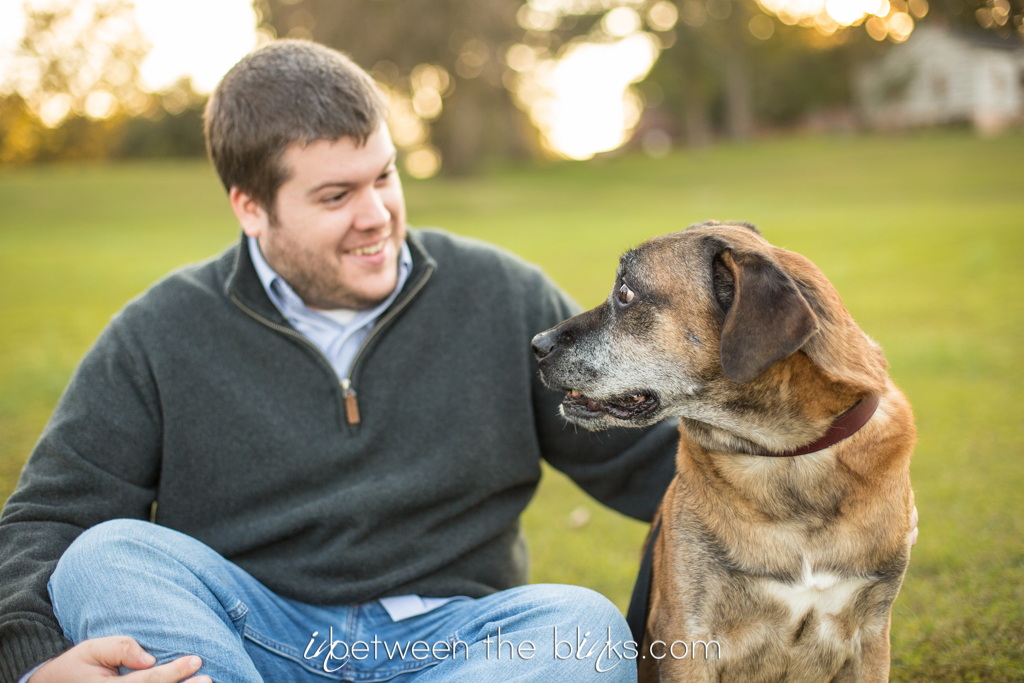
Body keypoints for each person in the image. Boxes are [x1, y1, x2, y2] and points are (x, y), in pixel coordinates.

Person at [0, 40, 680, 683]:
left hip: (453, 646)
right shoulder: (157, 332)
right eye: (336, 196)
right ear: (251, 207)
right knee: (106, 555)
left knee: (583, 627)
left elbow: (661, 459)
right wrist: (30, 664)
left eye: (383, 176)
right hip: (250, 639)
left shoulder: (501, 294)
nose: (376, 215)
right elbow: (46, 521)